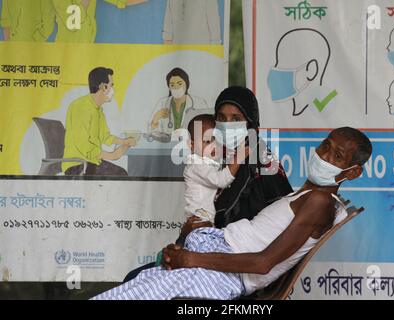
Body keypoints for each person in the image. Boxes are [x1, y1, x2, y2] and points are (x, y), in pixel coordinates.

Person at [92, 127, 372, 300]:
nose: (323, 157)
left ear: (353, 172)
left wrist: (191, 258)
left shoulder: (319, 202)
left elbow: (263, 263)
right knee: (138, 279)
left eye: (337, 156)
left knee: (135, 285)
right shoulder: (306, 195)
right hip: (218, 255)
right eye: (325, 146)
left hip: (224, 275)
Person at [122, 86, 293, 282]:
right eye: (221, 118)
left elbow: (278, 229)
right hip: (203, 254)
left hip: (234, 267)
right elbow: (203, 216)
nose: (227, 125)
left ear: (251, 122)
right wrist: (185, 236)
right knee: (135, 277)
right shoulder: (216, 158)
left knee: (135, 280)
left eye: (236, 119)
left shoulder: (263, 163)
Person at [154, 113, 247, 266]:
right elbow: (222, 180)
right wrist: (241, 155)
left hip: (203, 224)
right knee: (196, 264)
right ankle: (164, 263)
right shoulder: (197, 165)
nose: (213, 146)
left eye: (217, 140)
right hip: (199, 224)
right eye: (207, 141)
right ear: (191, 145)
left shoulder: (209, 164)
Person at [63, 67, 136, 176]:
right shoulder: (81, 106)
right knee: (120, 175)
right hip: (77, 165)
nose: (113, 90)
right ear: (103, 86)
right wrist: (111, 155)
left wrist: (123, 142)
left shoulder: (98, 110)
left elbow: (105, 137)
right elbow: (83, 145)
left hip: (91, 162)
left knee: (121, 173)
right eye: (111, 85)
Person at [149, 67, 209, 135]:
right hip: (168, 144)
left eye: (179, 84)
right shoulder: (162, 103)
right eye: (172, 85)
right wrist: (155, 118)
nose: (176, 88)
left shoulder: (199, 103)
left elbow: (208, 129)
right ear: (169, 87)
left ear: (187, 84)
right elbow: (151, 133)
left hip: (191, 143)